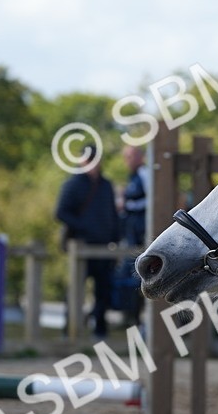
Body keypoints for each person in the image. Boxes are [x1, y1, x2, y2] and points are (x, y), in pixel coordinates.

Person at [55, 145, 119, 339]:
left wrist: (115, 238)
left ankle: (100, 329)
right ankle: (70, 329)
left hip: (103, 247)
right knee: (75, 290)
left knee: (103, 290)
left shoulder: (106, 185)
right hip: (81, 245)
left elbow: (112, 214)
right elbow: (61, 212)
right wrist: (85, 227)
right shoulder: (73, 184)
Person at [114, 144, 151, 326]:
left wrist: (125, 204)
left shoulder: (144, 174)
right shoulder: (133, 177)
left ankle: (137, 318)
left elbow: (152, 199)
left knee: (140, 275)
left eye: (131, 156)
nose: (127, 161)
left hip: (142, 234)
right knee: (129, 276)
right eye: (126, 157)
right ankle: (130, 316)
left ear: (140, 157)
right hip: (131, 236)